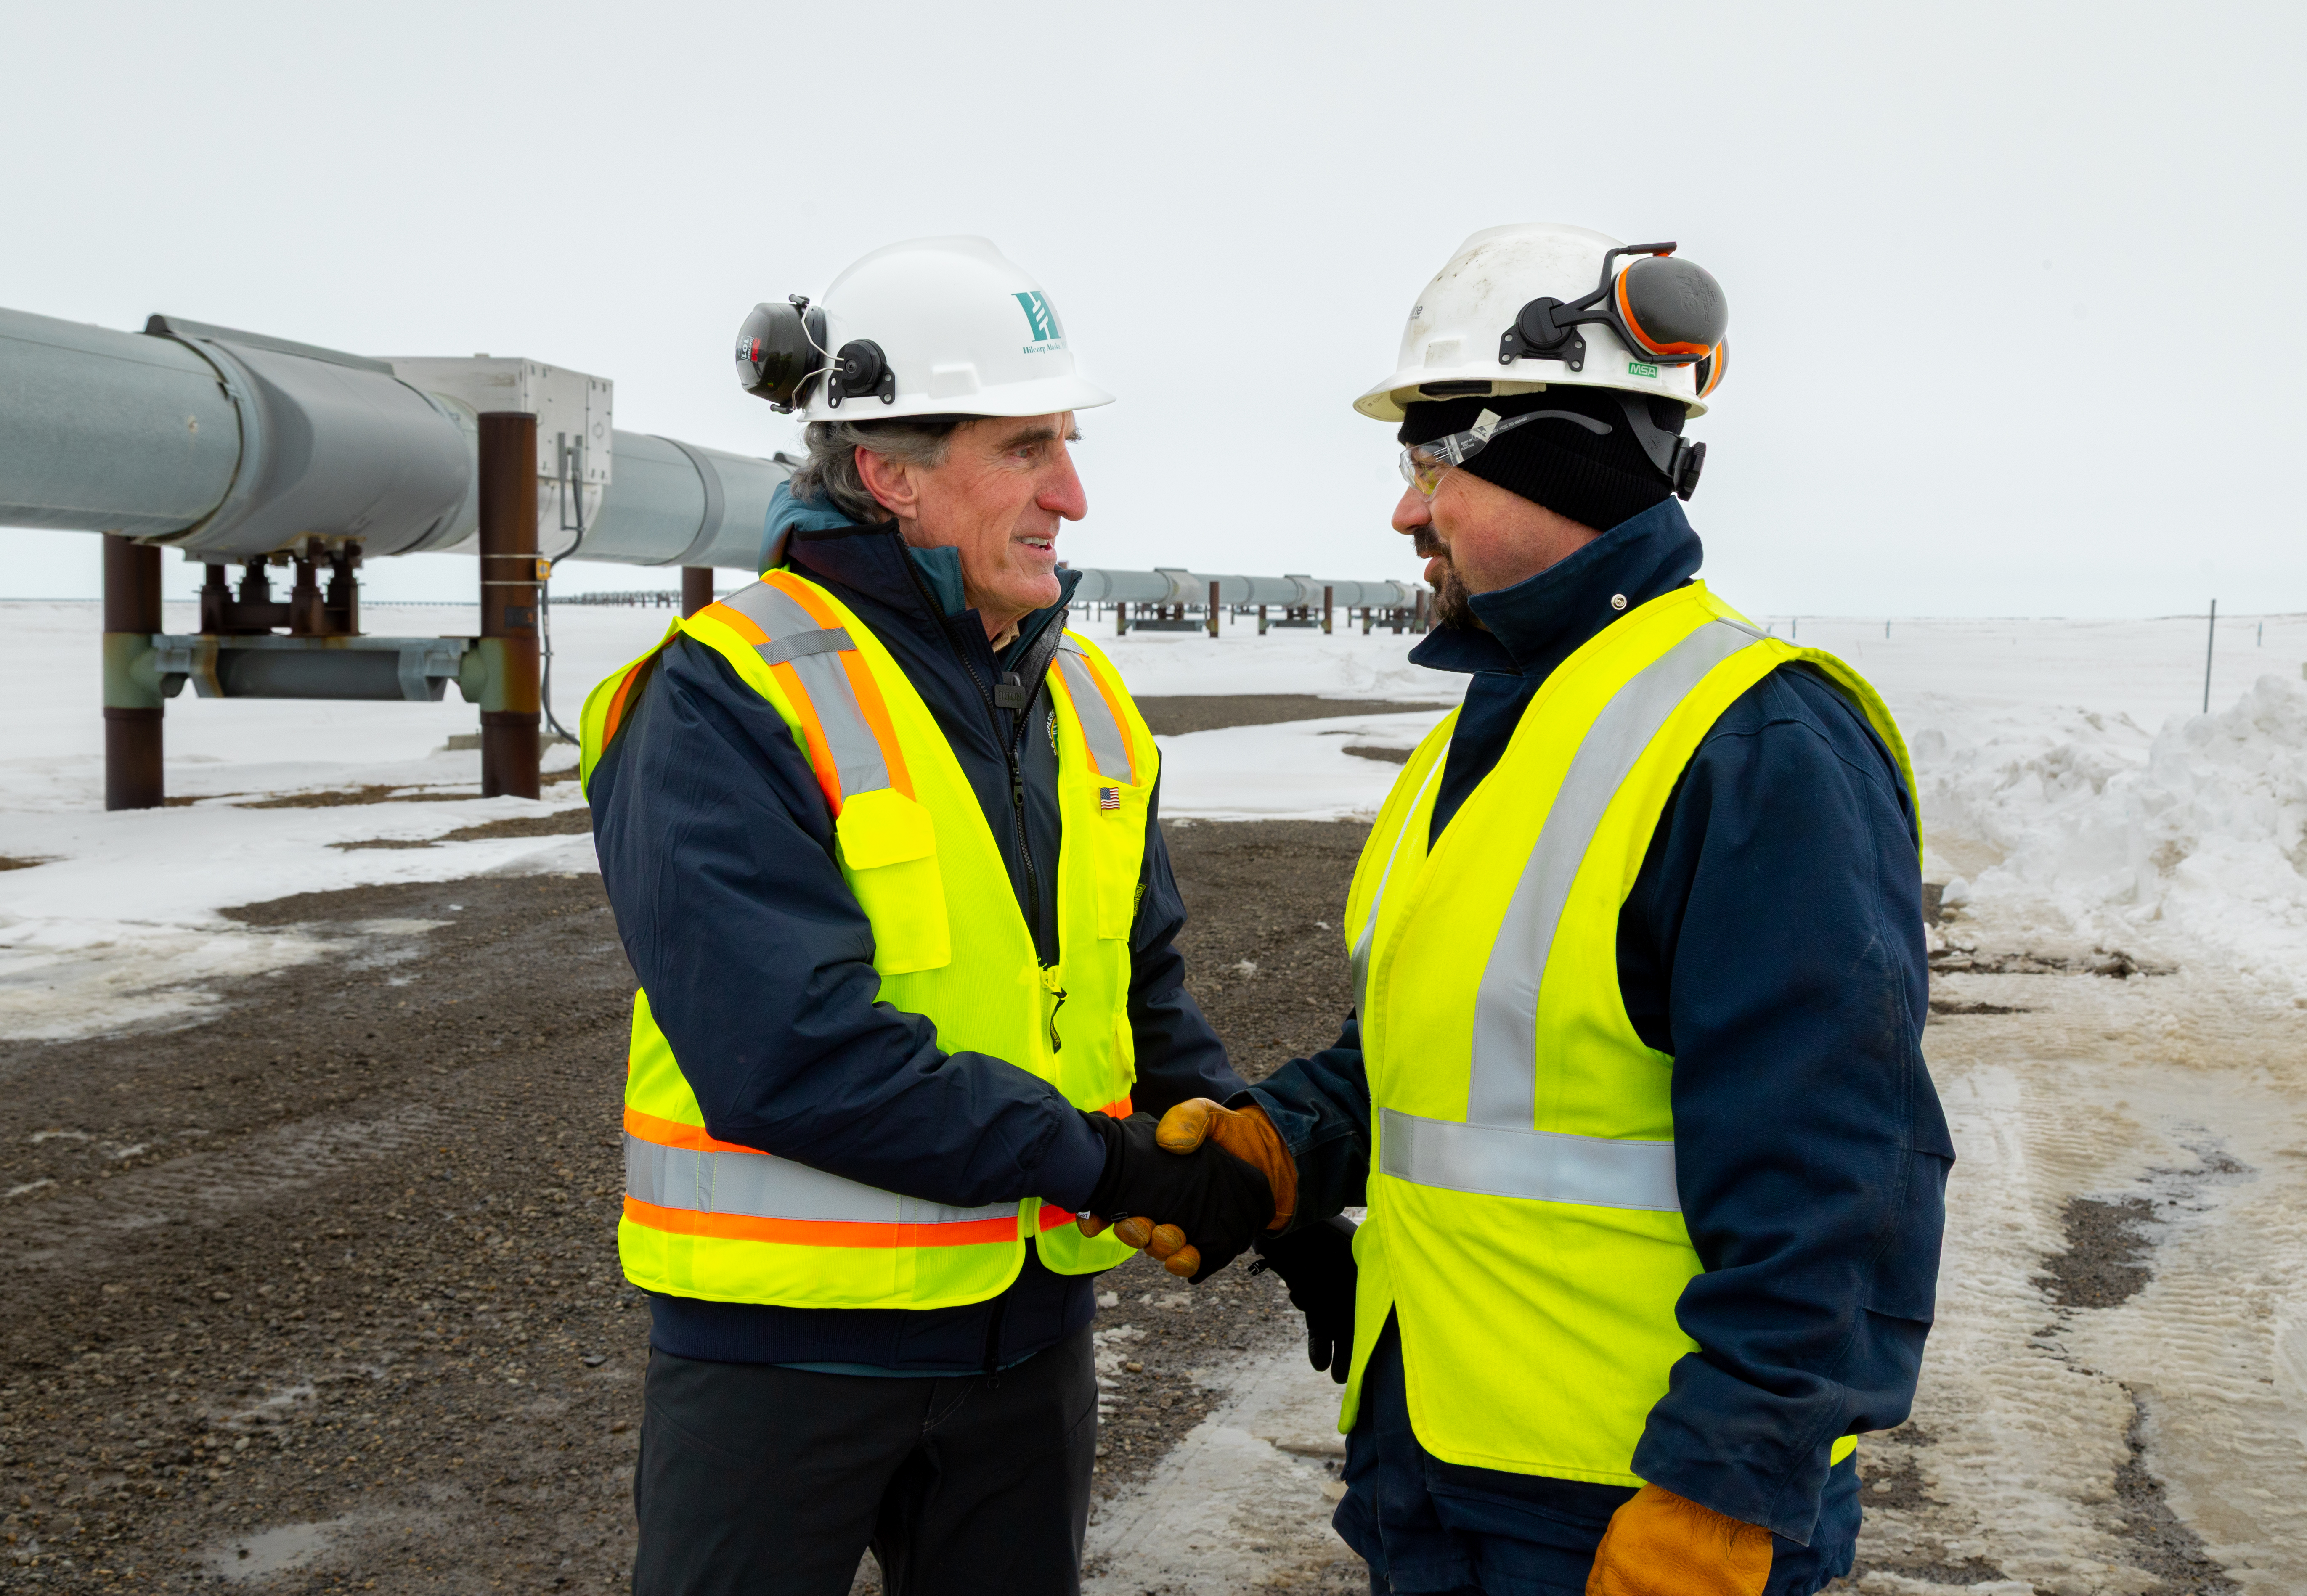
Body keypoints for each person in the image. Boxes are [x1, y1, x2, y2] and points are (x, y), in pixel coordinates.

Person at [1132, 223, 1952, 1596]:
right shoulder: (1499, 726)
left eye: (1433, 460)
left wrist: (1728, 1486)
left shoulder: (1754, 740)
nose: (1407, 511)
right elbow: (1472, 1046)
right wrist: (1292, 1139)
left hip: (1634, 1504)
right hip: (1446, 1468)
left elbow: (1845, 1174)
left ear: (1561, 455)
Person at [578, 236, 1274, 1596]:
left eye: (1064, 443)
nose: (1071, 493)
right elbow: (791, 1050)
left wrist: (1247, 1160)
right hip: (782, 1352)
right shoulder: (725, 695)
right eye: (1026, 447)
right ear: (890, 472)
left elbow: (1138, 991)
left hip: (1022, 1347)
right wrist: (1115, 1168)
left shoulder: (1084, 702)